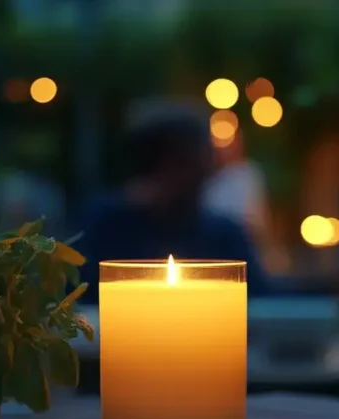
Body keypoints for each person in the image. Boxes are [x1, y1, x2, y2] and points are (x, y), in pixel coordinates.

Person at [77, 101, 269, 303]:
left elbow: (265, 305)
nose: (207, 171)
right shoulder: (103, 226)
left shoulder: (224, 234)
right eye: (197, 159)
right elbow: (77, 302)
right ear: (167, 162)